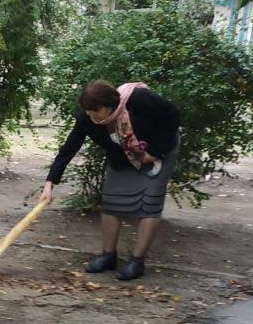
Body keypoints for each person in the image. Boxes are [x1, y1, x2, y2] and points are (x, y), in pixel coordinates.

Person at [42, 79, 181, 281]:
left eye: (94, 111)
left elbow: (173, 117)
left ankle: (137, 261)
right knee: (112, 203)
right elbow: (69, 148)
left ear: (108, 106)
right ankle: (108, 256)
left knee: (149, 204)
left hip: (159, 151)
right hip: (122, 160)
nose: (90, 116)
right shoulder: (88, 118)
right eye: (88, 112)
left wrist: (155, 152)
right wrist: (49, 183)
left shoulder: (139, 99)